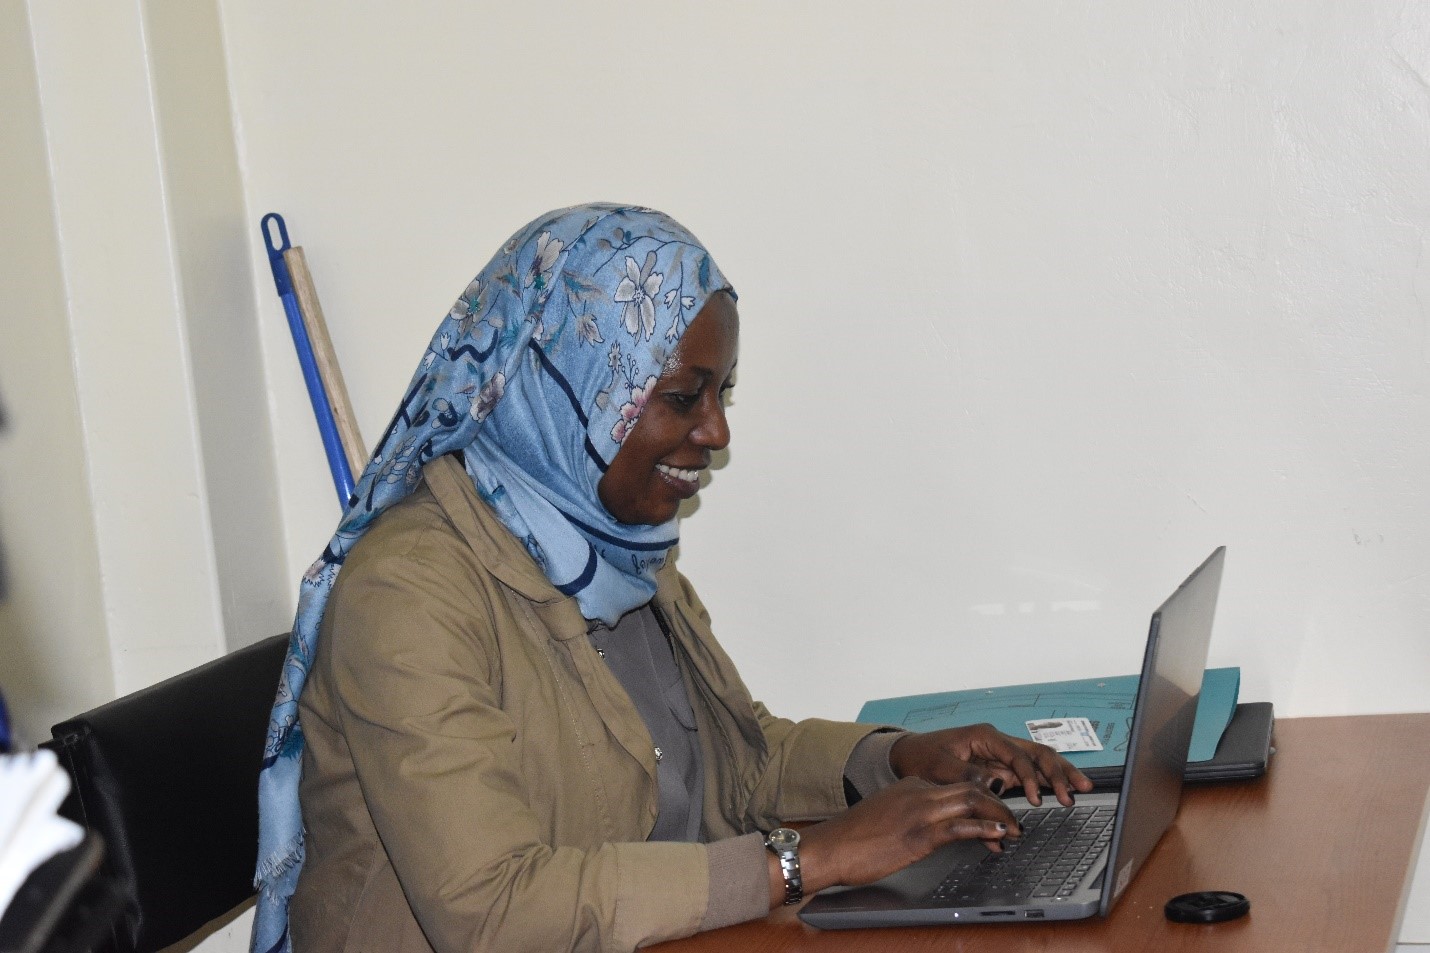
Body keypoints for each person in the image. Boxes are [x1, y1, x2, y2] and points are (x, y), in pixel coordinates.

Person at [252, 204, 1091, 953]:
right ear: (573, 390)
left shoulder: (617, 550)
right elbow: (493, 910)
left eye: (722, 393)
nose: (717, 430)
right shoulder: (407, 596)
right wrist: (809, 860)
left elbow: (738, 766)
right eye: (683, 397)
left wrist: (901, 759)